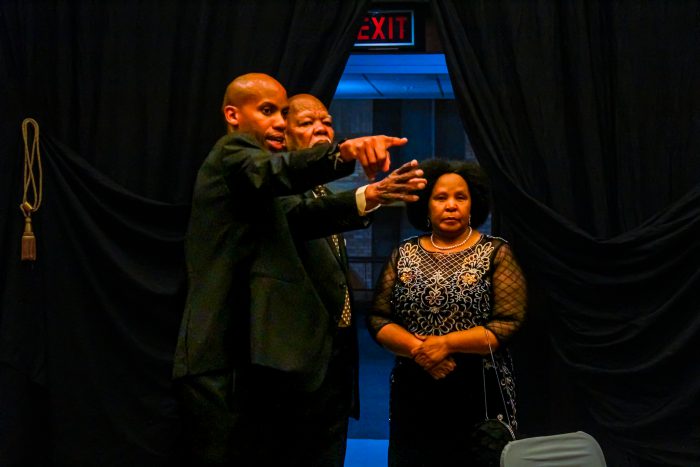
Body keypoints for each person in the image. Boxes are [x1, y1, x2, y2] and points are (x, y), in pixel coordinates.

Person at [172, 72, 416, 465]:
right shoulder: (233, 154)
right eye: (269, 111)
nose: (280, 122)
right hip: (225, 361)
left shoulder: (266, 183)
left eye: (285, 113)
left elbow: (304, 215)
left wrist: (370, 194)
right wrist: (345, 153)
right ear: (232, 115)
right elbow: (275, 179)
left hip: (287, 368)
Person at [274, 93, 426, 466]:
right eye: (307, 123)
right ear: (283, 134)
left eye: (325, 121)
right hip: (291, 373)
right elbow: (305, 217)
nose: (320, 128)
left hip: (334, 370)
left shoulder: (322, 189)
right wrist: (371, 194)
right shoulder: (274, 186)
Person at [367, 159, 528, 467]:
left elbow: (508, 323)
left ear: (473, 205)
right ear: (426, 206)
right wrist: (418, 349)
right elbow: (378, 318)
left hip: (478, 389)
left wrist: (447, 344)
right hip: (414, 383)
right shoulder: (403, 253)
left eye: (460, 197)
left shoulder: (496, 252)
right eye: (441, 198)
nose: (451, 206)